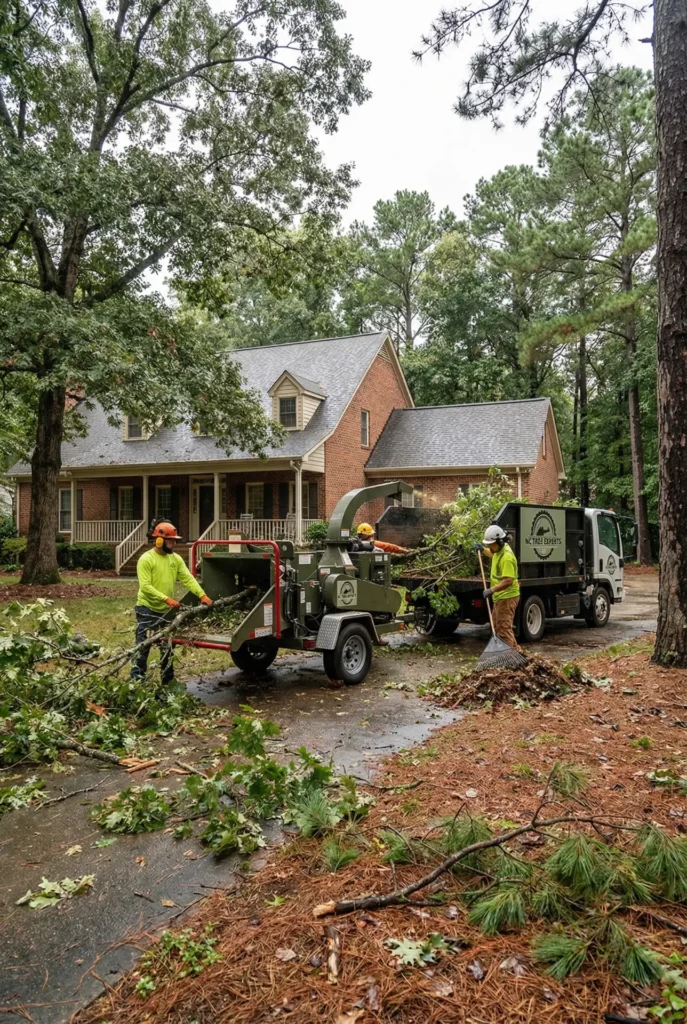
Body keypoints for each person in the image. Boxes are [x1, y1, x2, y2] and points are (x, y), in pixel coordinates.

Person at [131, 519, 213, 685]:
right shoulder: (146, 559)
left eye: (174, 541)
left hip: (166, 612)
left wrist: (202, 595)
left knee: (167, 647)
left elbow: (188, 579)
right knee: (143, 646)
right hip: (147, 609)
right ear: (159, 540)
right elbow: (145, 587)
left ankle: (167, 681)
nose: (173, 544)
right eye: (170, 541)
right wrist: (166, 599)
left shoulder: (175, 559)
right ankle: (136, 680)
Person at [474, 525, 521, 649]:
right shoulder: (498, 551)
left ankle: (509, 660)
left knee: (503, 629)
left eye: (491, 544)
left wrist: (491, 590)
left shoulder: (507, 557)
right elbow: (492, 554)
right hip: (500, 597)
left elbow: (508, 581)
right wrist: (483, 549)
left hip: (507, 597)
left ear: (499, 541)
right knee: (497, 626)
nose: (490, 547)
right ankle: (517, 654)